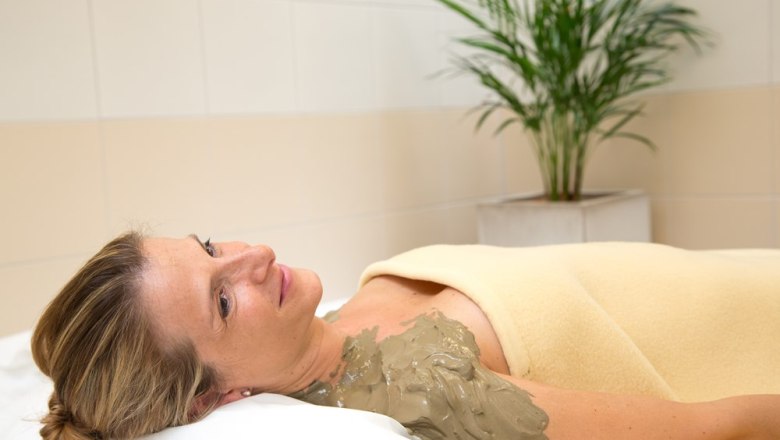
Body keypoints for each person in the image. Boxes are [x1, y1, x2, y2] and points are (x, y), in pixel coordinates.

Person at [31, 232, 780, 440]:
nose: (251, 255)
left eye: (207, 245)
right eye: (222, 300)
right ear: (216, 396)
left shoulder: (335, 318)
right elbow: (718, 430)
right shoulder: (422, 395)